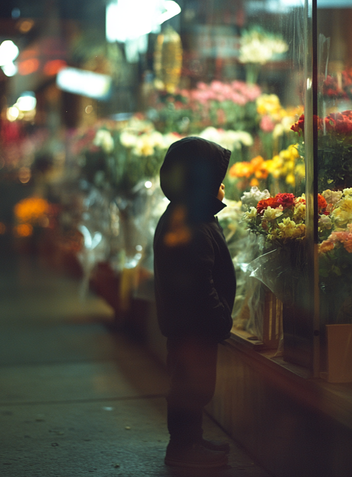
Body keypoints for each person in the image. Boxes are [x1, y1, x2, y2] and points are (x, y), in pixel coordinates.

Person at [153, 136, 236, 469]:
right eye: (217, 180)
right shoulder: (191, 225)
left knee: (195, 387)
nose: (223, 186)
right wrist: (220, 319)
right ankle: (183, 449)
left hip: (190, 324)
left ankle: (192, 440)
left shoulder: (189, 216)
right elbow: (199, 284)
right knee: (190, 388)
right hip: (194, 326)